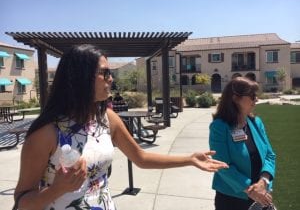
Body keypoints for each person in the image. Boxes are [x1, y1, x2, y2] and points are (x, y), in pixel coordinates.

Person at [14, 44, 228, 210]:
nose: (111, 79)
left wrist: (189, 159)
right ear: (80, 77)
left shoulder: (106, 119)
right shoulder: (46, 133)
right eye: (105, 73)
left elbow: (141, 158)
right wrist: (57, 189)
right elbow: (23, 202)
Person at [209, 77, 276, 210]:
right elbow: (222, 165)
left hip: (260, 194)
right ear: (235, 98)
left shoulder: (256, 123)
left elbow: (270, 155)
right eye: (251, 95)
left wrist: (264, 181)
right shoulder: (219, 127)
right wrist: (250, 189)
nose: (256, 99)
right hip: (231, 200)